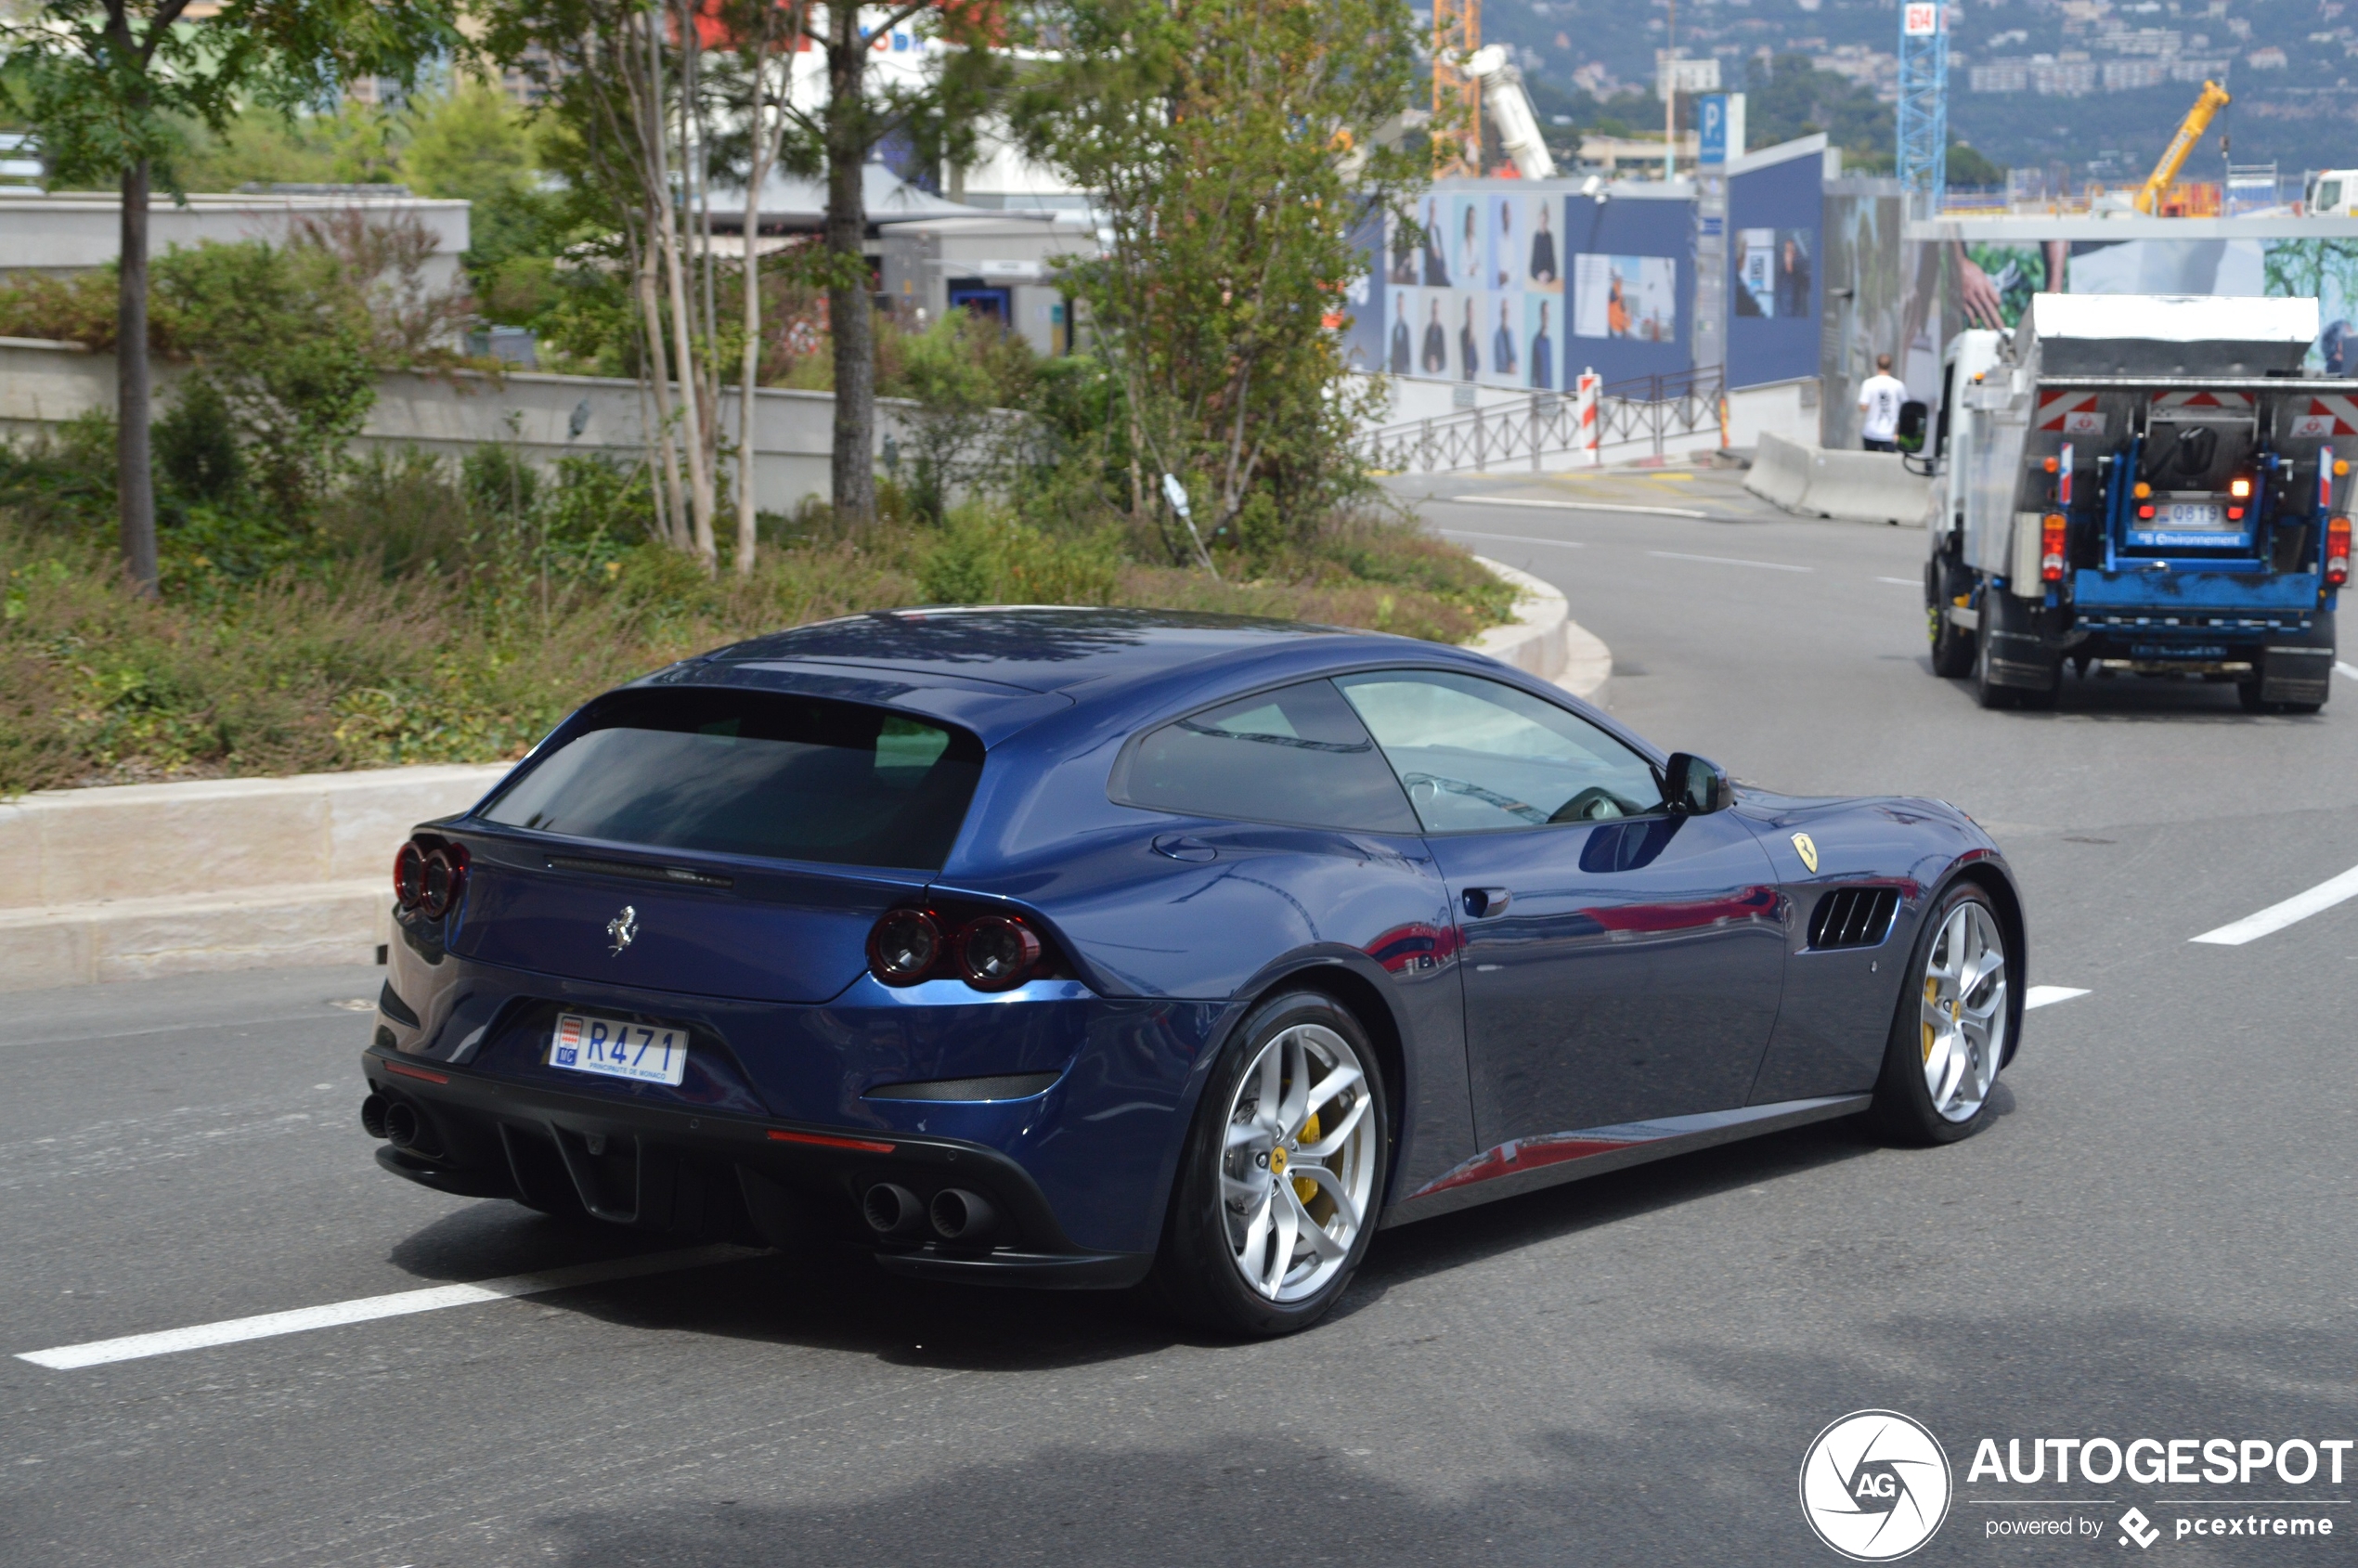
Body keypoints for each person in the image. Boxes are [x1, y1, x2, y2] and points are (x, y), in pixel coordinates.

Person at [1858, 353, 1907, 453]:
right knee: (1888, 466)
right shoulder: (1898, 385)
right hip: (1890, 434)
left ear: (1877, 365)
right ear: (1891, 366)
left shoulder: (1868, 383)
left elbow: (1863, 407)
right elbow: (1906, 407)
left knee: (1870, 464)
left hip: (1870, 432)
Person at [1529, 203, 1557, 285]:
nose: (1543, 224)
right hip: (1537, 281)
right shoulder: (1536, 237)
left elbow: (1553, 266)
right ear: (1539, 220)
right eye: (1541, 221)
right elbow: (1532, 268)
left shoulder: (1549, 237)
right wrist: (1539, 275)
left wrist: (1548, 275)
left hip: (1549, 281)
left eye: (1545, 221)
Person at [1529, 301, 1554, 390]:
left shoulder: (1548, 342)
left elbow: (1550, 372)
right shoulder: (1536, 341)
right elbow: (1533, 371)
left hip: (1549, 391)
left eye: (1548, 315)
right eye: (1545, 314)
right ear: (1541, 315)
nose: (1546, 317)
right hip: (1539, 392)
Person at [1492, 298, 1518, 380]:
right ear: (1501, 313)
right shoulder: (1497, 336)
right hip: (1502, 378)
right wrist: (1507, 369)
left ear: (1509, 313)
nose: (1505, 314)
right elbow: (1498, 362)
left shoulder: (1511, 334)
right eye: (1503, 311)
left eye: (1506, 311)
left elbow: (1514, 356)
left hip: (1513, 377)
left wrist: (1514, 365)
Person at [1421, 297, 1447, 375]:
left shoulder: (1441, 331)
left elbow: (1444, 362)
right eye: (1433, 312)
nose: (1434, 314)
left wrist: (1437, 365)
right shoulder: (1428, 330)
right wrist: (1429, 364)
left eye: (1436, 312)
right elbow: (1423, 359)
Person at [1389, 293, 1412, 374]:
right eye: (1398, 305)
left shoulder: (1406, 328)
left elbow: (1408, 352)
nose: (1400, 307)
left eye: (1401, 304)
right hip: (1395, 371)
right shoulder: (1394, 329)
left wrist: (1409, 372)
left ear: (1404, 306)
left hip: (1404, 371)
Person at [1458, 296, 1479, 382]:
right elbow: (1467, 364)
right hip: (1466, 380)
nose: (1471, 312)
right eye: (1469, 309)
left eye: (1473, 310)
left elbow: (1476, 362)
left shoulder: (1474, 333)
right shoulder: (1463, 333)